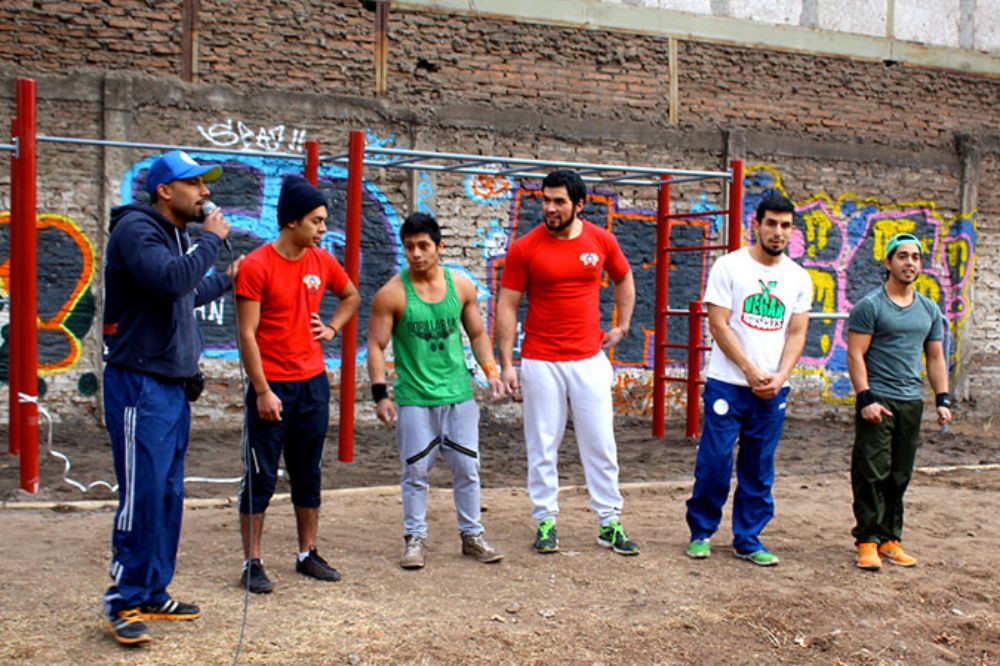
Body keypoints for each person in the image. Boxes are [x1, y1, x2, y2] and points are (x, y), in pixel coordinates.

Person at [102, 150, 241, 645]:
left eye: (205, 184)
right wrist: (212, 242)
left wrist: (227, 278)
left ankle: (152, 590)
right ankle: (122, 601)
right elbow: (169, 280)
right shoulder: (136, 231)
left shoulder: (173, 237)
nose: (205, 192)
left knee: (167, 493)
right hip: (139, 383)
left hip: (170, 385)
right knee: (142, 494)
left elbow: (182, 293)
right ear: (165, 190)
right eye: (195, 184)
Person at [496, 170, 639, 557]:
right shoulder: (525, 247)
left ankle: (609, 522)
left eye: (559, 201)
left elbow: (624, 279)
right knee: (542, 445)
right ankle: (545, 521)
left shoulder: (601, 240)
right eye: (546, 200)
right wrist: (507, 363)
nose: (550, 208)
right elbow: (507, 304)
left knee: (601, 443)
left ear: (579, 204)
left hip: (589, 359)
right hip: (541, 360)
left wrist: (622, 326)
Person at [234, 176, 360, 593]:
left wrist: (332, 329)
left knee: (308, 473)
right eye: (317, 220)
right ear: (292, 222)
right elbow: (247, 334)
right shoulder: (256, 265)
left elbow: (351, 296)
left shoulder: (321, 261)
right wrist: (263, 390)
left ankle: (307, 553)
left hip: (312, 385)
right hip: (272, 388)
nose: (324, 228)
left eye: (324, 220)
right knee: (262, 478)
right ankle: (252, 562)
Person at [368, 212, 506, 570]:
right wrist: (380, 394)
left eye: (423, 246)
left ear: (439, 247)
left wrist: (491, 372)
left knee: (468, 468)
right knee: (415, 472)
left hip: (458, 395)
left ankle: (472, 536)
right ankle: (414, 540)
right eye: (409, 246)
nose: (415, 253)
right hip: (415, 398)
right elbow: (375, 344)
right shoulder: (392, 294)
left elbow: (477, 334)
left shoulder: (460, 286)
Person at [684, 193, 812, 566]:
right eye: (771, 223)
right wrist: (748, 369)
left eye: (785, 225)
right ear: (756, 225)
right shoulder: (729, 267)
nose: (777, 232)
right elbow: (718, 323)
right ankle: (701, 532)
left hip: (773, 389)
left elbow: (797, 333)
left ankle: (748, 538)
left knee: (759, 466)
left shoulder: (798, 277)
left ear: (792, 231)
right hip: (728, 383)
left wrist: (780, 376)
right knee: (716, 461)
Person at [847, 232, 952, 571]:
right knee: (871, 472)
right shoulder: (871, 306)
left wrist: (942, 398)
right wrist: (865, 398)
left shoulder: (928, 309)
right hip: (879, 399)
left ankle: (891, 539)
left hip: (911, 402)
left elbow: (935, 358)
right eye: (903, 256)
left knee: (899, 474)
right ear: (889, 262)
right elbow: (855, 353)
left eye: (916, 257)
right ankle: (867, 541)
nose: (910, 263)